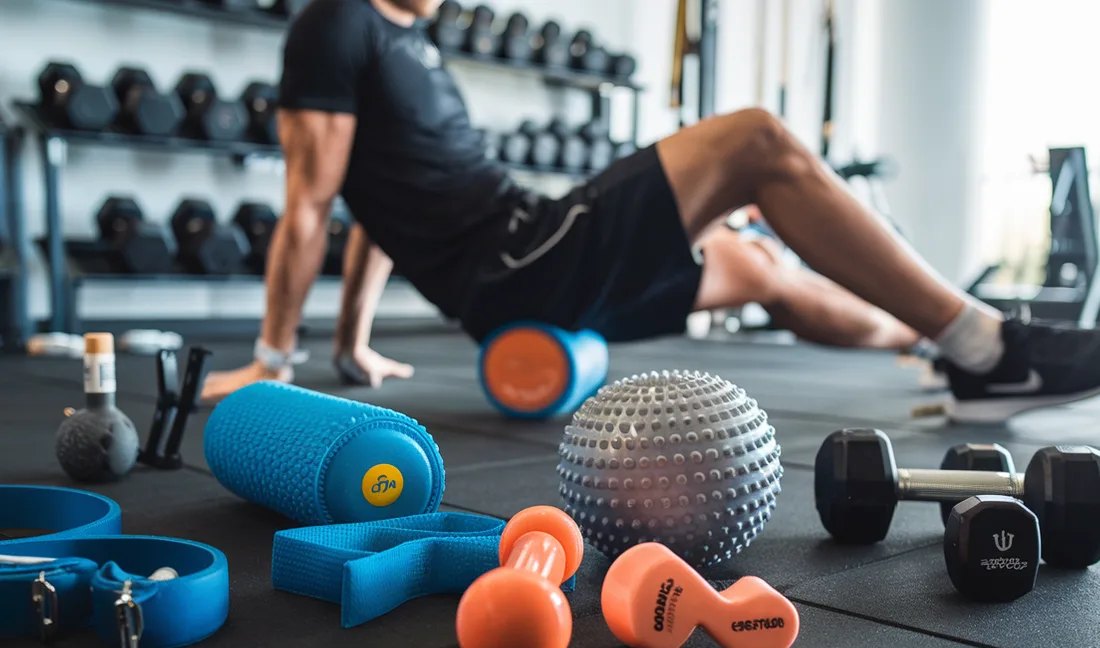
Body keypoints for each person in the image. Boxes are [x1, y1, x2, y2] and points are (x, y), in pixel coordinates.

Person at [200, 0, 1100, 425]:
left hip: (524, 249)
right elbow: (312, 200)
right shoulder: (335, 22)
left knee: (762, 270)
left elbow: (381, 205)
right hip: (520, 263)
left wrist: (354, 342)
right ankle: (992, 346)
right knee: (755, 141)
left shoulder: (413, 39)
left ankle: (936, 348)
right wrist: (276, 359)